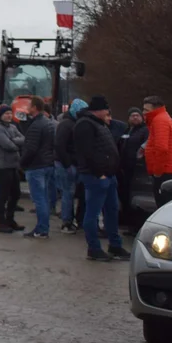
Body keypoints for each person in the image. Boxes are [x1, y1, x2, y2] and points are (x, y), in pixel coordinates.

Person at [74, 95, 130, 261]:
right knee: (92, 213)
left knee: (112, 211)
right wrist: (100, 173)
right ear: (98, 110)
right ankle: (94, 248)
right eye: (106, 109)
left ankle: (115, 245)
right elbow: (87, 153)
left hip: (108, 176)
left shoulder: (98, 124)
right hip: (96, 177)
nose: (108, 112)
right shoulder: (85, 125)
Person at [20, 97, 56, 238]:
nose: (27, 107)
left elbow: (31, 148)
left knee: (39, 199)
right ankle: (42, 227)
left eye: (29, 105)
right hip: (47, 165)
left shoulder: (36, 125)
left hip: (36, 166)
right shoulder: (49, 123)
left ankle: (42, 229)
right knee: (44, 198)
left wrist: (22, 163)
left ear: (34, 108)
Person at [0, 104, 25, 233]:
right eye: (6, 114)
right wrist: (16, 143)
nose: (9, 116)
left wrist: (14, 141)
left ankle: (10, 219)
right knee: (3, 195)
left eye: (10, 113)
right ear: (0, 115)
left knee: (16, 194)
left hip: (14, 165)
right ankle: (1, 223)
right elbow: (7, 145)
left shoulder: (13, 127)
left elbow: (23, 139)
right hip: (3, 166)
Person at [55, 98, 87, 233]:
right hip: (66, 165)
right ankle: (66, 222)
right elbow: (59, 146)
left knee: (73, 193)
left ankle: (74, 220)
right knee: (68, 193)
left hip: (73, 164)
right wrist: (68, 164)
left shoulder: (74, 123)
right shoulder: (66, 125)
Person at [142, 95, 172, 208]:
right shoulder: (162, 118)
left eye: (146, 110)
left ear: (155, 109)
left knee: (164, 206)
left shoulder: (159, 120)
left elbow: (161, 148)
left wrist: (157, 172)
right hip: (166, 170)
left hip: (164, 172)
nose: (144, 113)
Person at [116, 107, 149, 221]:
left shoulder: (145, 130)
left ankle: (131, 218)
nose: (135, 117)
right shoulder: (127, 130)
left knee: (132, 194)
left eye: (137, 115)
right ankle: (124, 216)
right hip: (124, 168)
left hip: (137, 168)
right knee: (123, 193)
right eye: (132, 115)